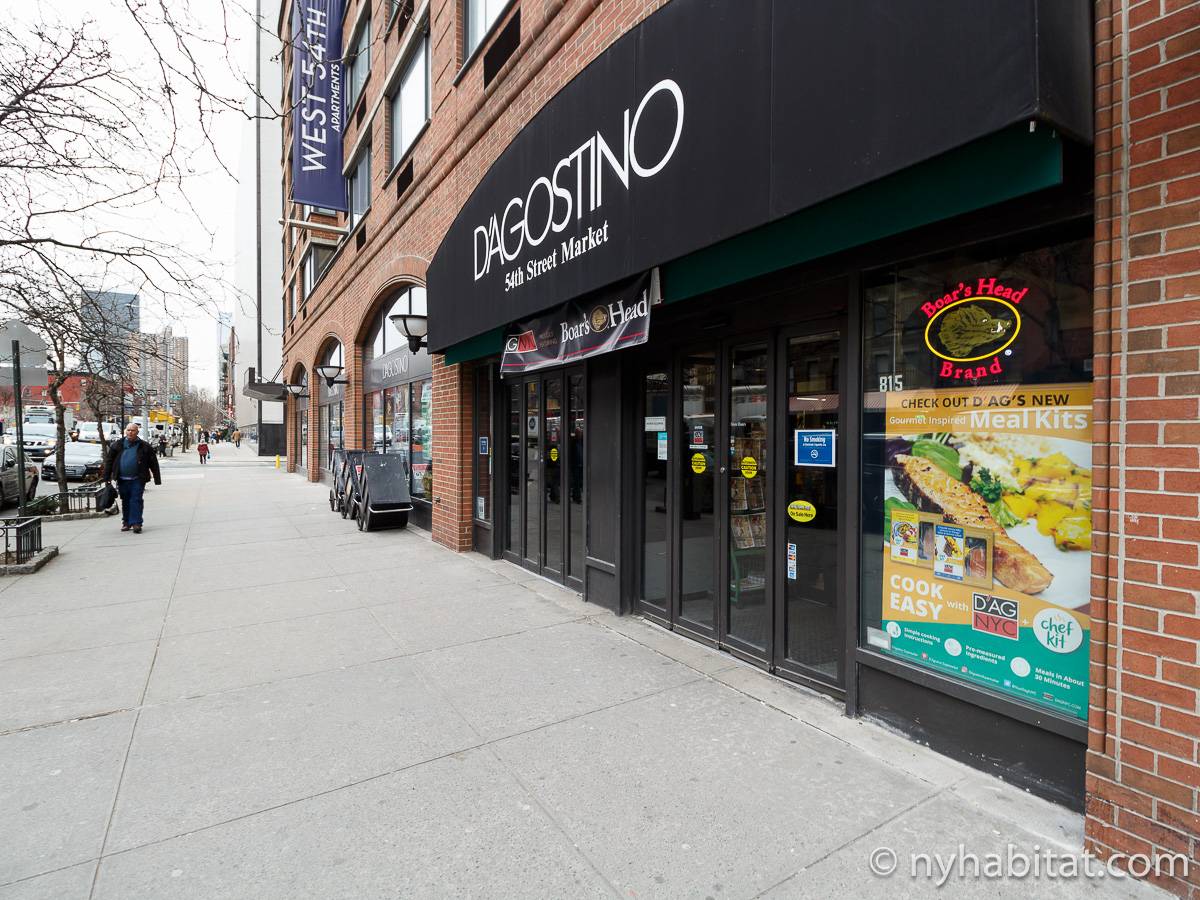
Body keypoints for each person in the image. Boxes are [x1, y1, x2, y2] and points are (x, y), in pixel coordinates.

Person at [102, 423, 162, 533]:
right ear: (125, 431)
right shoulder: (117, 445)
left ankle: (136, 523)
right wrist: (106, 477)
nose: (130, 432)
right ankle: (126, 522)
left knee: (136, 499)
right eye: (128, 430)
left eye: (133, 430)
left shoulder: (144, 446)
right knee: (125, 501)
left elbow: (153, 462)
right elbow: (109, 461)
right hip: (122, 479)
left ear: (137, 432)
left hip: (138, 478)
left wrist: (157, 478)